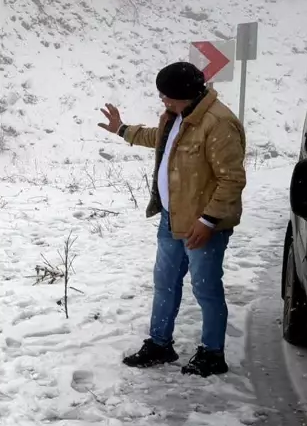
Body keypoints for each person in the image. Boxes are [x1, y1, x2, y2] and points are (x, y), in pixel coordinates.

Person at [98, 61, 247, 377]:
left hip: (204, 225)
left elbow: (231, 179)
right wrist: (122, 129)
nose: (162, 101)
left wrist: (207, 221)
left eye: (167, 96)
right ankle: (160, 344)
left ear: (187, 94)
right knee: (164, 283)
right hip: (171, 219)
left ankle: (212, 354)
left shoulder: (218, 123)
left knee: (206, 289)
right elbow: (159, 138)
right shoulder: (177, 116)